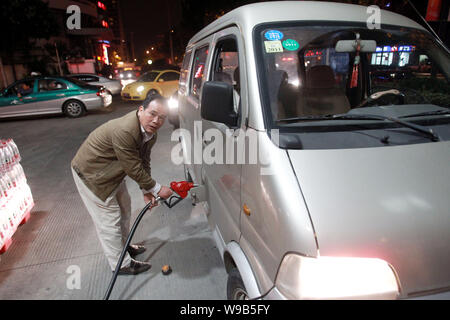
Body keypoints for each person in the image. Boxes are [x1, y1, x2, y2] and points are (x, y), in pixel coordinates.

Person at [71, 93, 173, 275]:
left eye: (162, 118)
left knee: (125, 209)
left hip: (113, 172)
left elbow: (143, 160)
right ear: (141, 109)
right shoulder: (126, 130)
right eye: (152, 114)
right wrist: (157, 188)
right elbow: (133, 166)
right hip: (92, 176)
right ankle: (121, 264)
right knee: (109, 221)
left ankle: (124, 247)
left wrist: (146, 189)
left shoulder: (151, 133)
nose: (156, 121)